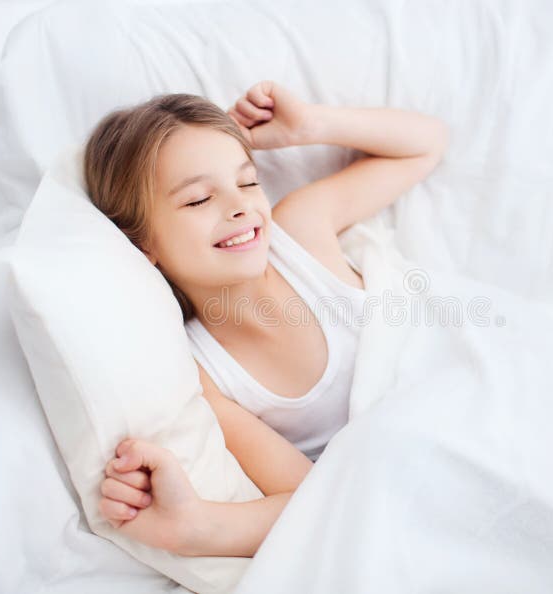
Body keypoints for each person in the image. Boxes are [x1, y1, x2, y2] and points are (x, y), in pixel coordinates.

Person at [82, 80, 449, 557]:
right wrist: (197, 526)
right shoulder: (204, 373)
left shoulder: (300, 231)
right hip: (415, 471)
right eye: (198, 200)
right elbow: (321, 497)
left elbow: (426, 145)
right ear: (140, 244)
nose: (240, 206)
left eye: (248, 181)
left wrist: (313, 125)